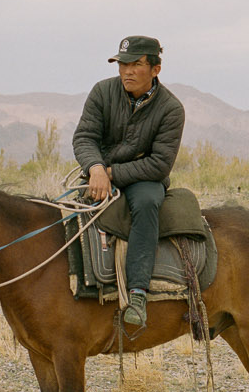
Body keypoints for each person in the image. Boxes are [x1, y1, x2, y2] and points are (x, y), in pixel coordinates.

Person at [72, 35, 185, 328]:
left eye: (136, 64)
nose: (127, 72)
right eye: (122, 64)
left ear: (156, 70)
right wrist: (95, 167)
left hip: (143, 177)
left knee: (147, 204)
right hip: (98, 171)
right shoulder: (102, 92)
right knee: (64, 209)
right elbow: (85, 137)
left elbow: (159, 163)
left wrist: (110, 174)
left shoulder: (171, 109)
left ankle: (137, 293)